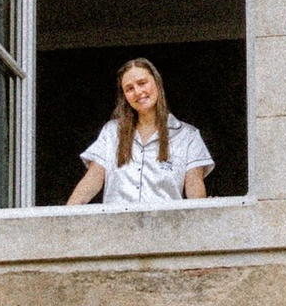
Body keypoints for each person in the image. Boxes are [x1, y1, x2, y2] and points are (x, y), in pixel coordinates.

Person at [66, 55, 213, 207]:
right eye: (129, 88)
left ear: (157, 83)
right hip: (117, 227)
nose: (137, 91)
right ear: (125, 96)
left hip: (167, 227)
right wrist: (64, 219)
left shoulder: (187, 135)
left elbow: (195, 193)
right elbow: (91, 181)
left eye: (142, 83)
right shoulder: (111, 132)